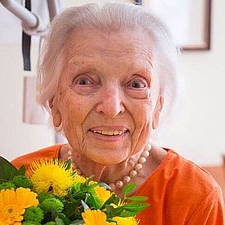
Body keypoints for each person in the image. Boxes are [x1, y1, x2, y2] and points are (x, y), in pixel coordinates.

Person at [12, 2, 224, 224]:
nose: (112, 108)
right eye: (84, 81)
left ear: (158, 106)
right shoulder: (19, 181)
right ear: (54, 103)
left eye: (136, 84)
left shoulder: (196, 197)